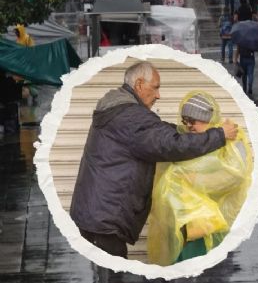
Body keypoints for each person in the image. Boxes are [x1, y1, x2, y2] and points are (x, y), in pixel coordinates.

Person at [69, 62, 237, 258]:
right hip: (105, 217)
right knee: (113, 282)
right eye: (155, 87)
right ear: (139, 84)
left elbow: (159, 131)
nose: (158, 95)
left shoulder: (120, 109)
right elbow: (170, 145)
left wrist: (188, 131)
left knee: (106, 279)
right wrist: (219, 135)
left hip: (98, 213)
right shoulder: (131, 117)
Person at [147, 92, 251, 265]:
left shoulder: (232, 139)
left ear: (207, 119)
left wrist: (196, 180)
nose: (188, 126)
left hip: (208, 224)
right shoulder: (190, 140)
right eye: (185, 121)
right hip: (187, 224)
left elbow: (236, 175)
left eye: (192, 121)